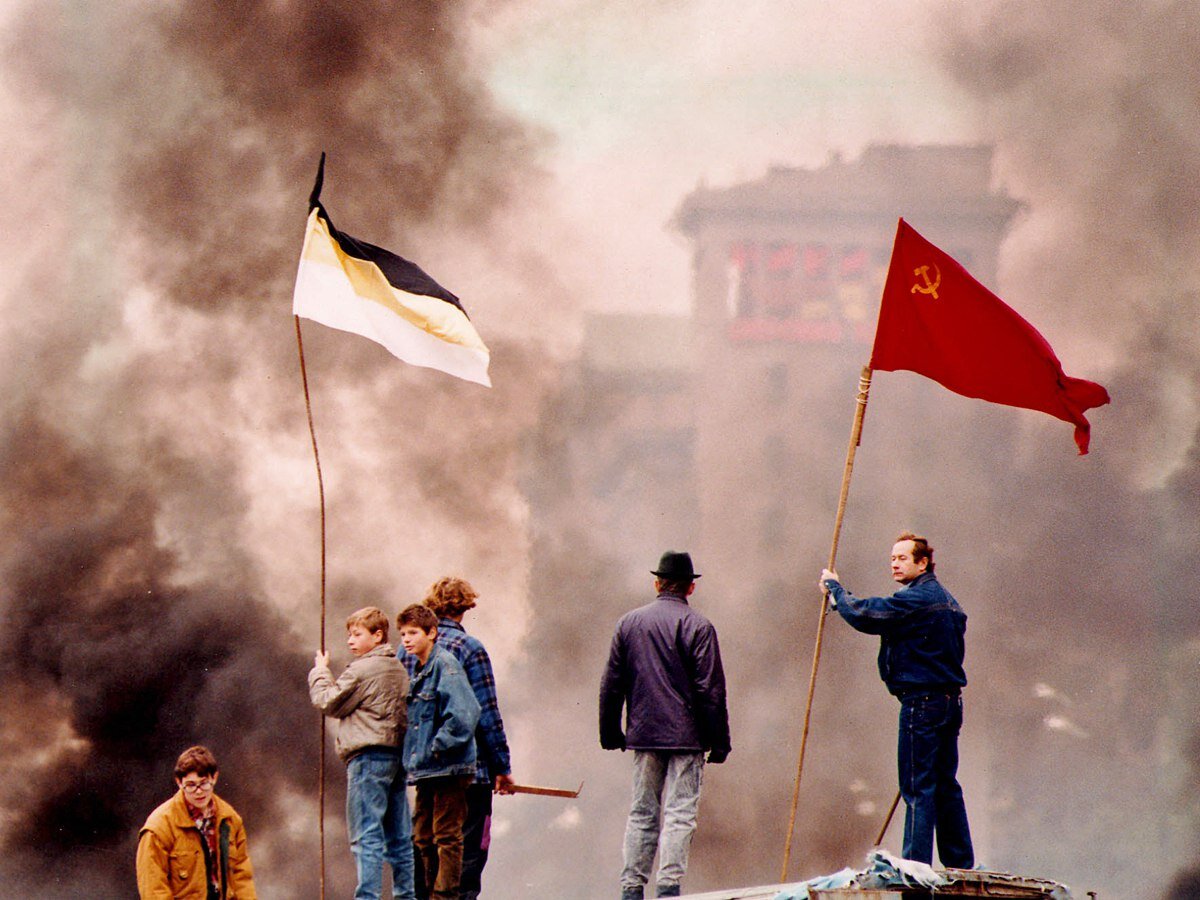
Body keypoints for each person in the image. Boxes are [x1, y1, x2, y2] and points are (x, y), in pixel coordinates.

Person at [820, 531, 974, 869]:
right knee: (946, 785)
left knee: (918, 787)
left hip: (922, 703)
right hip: (949, 704)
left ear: (923, 563)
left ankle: (916, 868)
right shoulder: (950, 603)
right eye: (892, 557)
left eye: (902, 558)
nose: (894, 563)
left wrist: (835, 590)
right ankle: (960, 865)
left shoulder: (916, 601)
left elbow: (867, 614)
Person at [599, 550, 731, 900]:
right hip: (687, 737)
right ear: (690, 588)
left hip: (644, 734)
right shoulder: (699, 626)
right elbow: (710, 690)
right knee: (680, 813)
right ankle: (668, 888)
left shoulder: (628, 623)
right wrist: (719, 742)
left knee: (642, 811)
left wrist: (610, 732)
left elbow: (612, 682)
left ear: (657, 583)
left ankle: (631, 887)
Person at [398, 577, 515, 900]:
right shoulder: (470, 649)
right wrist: (502, 767)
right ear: (464, 608)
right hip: (469, 772)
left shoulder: (405, 650)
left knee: (425, 845)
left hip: (422, 769)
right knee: (467, 852)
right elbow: (485, 713)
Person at [309, 606, 415, 900]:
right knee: (399, 837)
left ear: (377, 635)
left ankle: (367, 897)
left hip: (367, 760)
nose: (350, 641)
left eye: (357, 634)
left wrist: (320, 672)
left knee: (366, 836)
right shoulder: (398, 668)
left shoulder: (361, 670)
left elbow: (328, 702)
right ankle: (406, 895)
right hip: (397, 758)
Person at [397, 603, 482, 900]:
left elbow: (465, 713)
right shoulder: (421, 669)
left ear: (431, 633)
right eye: (403, 634)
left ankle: (444, 896)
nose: (406, 640)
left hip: (448, 768)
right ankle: (431, 892)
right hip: (427, 770)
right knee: (422, 835)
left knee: (446, 836)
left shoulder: (445, 665)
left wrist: (436, 747)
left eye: (413, 633)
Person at [136, 744, 257, 899]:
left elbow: (242, 878)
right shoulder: (158, 828)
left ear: (214, 778)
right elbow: (153, 891)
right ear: (179, 783)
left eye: (204, 783)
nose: (199, 791)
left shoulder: (230, 820)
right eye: (191, 785)